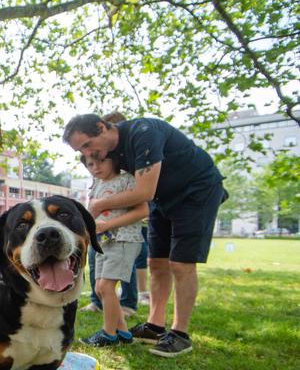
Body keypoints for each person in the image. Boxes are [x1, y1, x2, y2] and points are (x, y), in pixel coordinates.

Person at [64, 113, 227, 357]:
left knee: (181, 264)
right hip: (163, 199)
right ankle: (155, 326)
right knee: (156, 262)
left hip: (196, 191)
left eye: (87, 145)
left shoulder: (143, 132)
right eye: (81, 150)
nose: (88, 154)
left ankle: (180, 334)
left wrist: (99, 205)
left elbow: (144, 191)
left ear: (102, 127)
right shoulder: (111, 152)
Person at [78, 155, 148, 347]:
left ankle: (108, 334)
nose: (96, 167)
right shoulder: (97, 184)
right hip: (103, 242)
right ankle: (123, 333)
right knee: (100, 288)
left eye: (100, 161)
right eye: (90, 164)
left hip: (124, 240)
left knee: (106, 287)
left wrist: (108, 224)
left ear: (113, 159)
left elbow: (143, 211)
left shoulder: (127, 179)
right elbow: (91, 214)